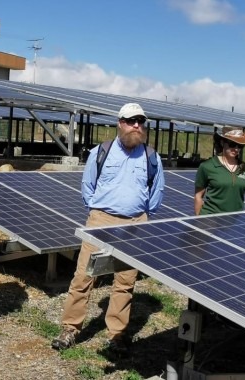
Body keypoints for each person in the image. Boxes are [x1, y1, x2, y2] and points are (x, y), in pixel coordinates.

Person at [51, 103, 165, 355]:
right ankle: (70, 328)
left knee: (125, 282)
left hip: (135, 223)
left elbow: (156, 193)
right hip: (101, 220)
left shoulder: (151, 156)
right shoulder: (101, 152)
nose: (136, 125)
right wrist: (99, 212)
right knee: (83, 276)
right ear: (119, 122)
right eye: (131, 120)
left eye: (140, 121)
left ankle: (117, 335)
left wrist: (143, 216)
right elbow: (87, 187)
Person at [194, 126, 245, 215]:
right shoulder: (207, 166)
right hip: (210, 219)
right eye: (232, 144)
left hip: (235, 220)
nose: (236, 149)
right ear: (222, 142)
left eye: (240, 145)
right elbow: (198, 196)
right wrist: (199, 221)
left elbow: (240, 194)